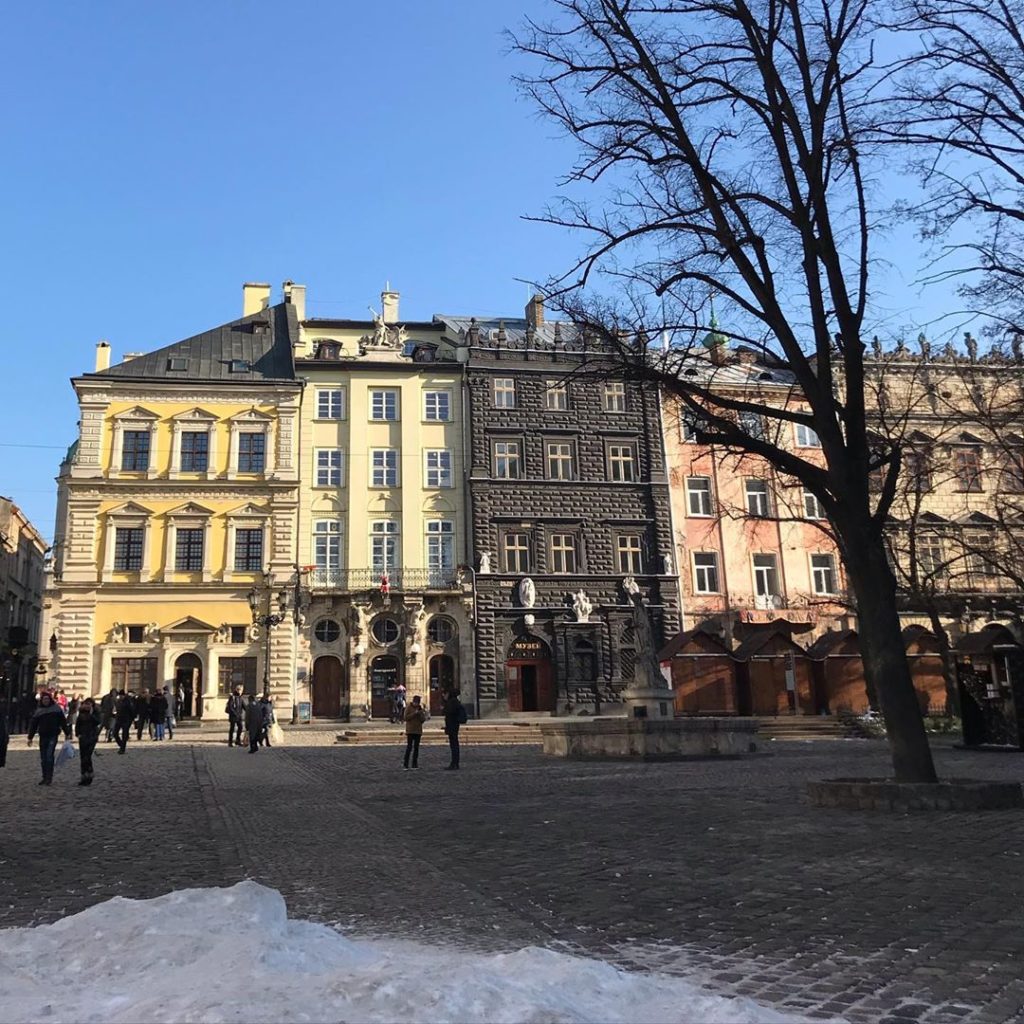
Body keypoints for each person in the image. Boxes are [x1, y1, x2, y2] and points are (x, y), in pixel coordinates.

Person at [27, 691, 71, 784]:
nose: (46, 701)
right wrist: (30, 737)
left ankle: (49, 777)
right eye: (44, 699)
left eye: (47, 699)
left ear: (50, 700)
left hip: (53, 735)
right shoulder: (39, 711)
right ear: (41, 700)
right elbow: (33, 725)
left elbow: (63, 722)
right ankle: (44, 776)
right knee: (43, 758)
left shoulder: (56, 709)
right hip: (43, 735)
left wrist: (67, 733)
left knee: (49, 756)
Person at [75, 697, 100, 786]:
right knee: (83, 757)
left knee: (87, 756)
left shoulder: (95, 713)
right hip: (83, 737)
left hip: (92, 737)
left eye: (89, 704)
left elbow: (98, 722)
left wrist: (91, 714)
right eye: (86, 704)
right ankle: (84, 776)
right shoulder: (81, 713)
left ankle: (89, 773)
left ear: (92, 705)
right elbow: (78, 724)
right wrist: (78, 734)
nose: (87, 706)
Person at [442, 688, 466, 770]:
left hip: (452, 726)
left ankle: (454, 763)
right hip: (454, 726)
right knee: (454, 745)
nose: (443, 696)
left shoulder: (451, 702)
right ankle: (455, 763)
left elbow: (448, 713)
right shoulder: (455, 701)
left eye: (444, 694)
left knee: (454, 745)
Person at [403, 695, 426, 770]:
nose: (417, 704)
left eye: (418, 703)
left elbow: (423, 720)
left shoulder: (420, 708)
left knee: (416, 748)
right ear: (414, 702)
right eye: (416, 702)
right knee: (409, 747)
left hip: (418, 731)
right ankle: (406, 764)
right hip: (410, 730)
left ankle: (414, 764)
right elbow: (406, 717)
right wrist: (414, 713)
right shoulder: (408, 707)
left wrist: (420, 713)